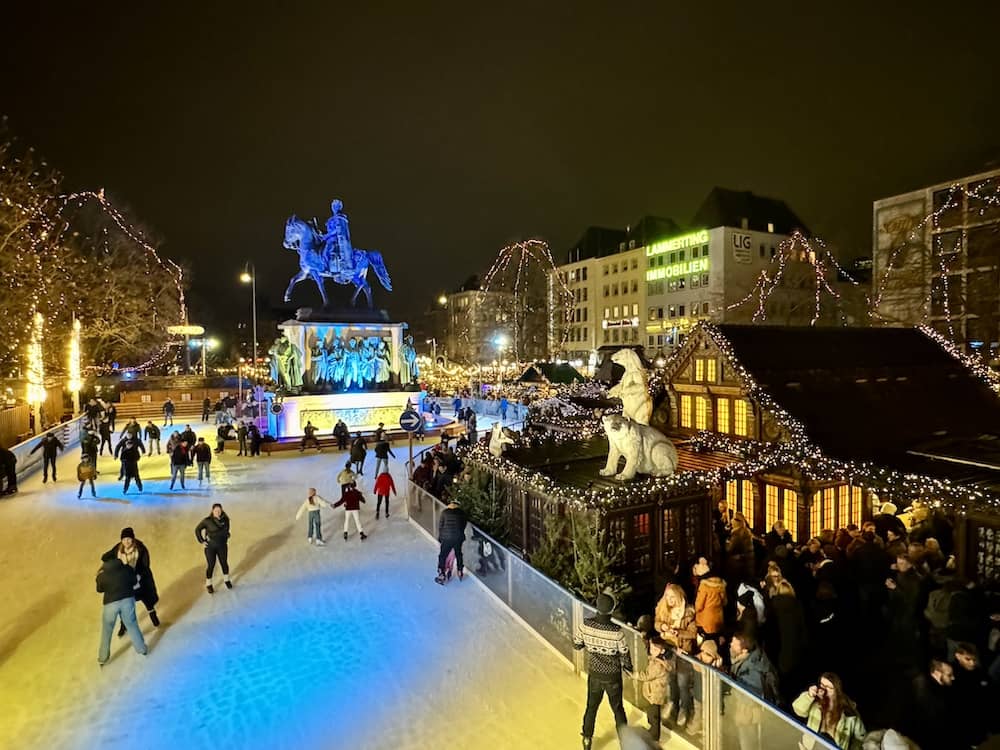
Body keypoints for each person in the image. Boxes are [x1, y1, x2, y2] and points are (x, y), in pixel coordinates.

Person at [574, 592, 632, 750]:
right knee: (618, 710)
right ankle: (625, 742)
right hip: (612, 677)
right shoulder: (616, 631)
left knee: (591, 707)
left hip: (595, 676)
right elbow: (625, 654)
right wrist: (628, 668)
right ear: (612, 610)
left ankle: (587, 739)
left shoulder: (585, 625)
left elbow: (577, 645)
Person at [654, 583, 698, 727]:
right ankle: (673, 703)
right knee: (671, 680)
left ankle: (685, 710)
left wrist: (678, 633)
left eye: (672, 597)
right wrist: (663, 626)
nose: (669, 600)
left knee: (683, 684)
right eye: (667, 597)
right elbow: (657, 623)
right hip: (669, 651)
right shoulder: (665, 609)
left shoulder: (689, 612)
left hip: (683, 653)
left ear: (679, 596)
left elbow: (692, 633)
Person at [101, 527, 160, 635]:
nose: (126, 542)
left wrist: (138, 575)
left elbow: (145, 566)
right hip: (125, 583)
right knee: (125, 605)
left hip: (139, 581)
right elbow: (106, 557)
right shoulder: (118, 549)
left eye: (128, 539)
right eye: (123, 539)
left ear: (132, 539)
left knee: (147, 601)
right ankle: (123, 625)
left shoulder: (141, 549)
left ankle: (153, 616)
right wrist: (108, 564)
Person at [95, 552, 148, 666]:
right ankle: (142, 649)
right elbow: (134, 581)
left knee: (107, 631)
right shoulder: (127, 569)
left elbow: (99, 589)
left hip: (110, 605)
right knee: (132, 625)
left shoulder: (102, 576)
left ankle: (103, 658)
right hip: (127, 600)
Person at [792, 672, 866, 750]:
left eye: (828, 688)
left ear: (838, 691)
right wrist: (809, 696)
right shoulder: (815, 702)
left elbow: (861, 738)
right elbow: (798, 710)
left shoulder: (850, 714)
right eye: (822, 685)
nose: (823, 690)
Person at [635, 634, 671, 742]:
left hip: (655, 694)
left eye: (656, 649)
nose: (652, 650)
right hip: (653, 692)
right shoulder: (655, 659)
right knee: (652, 714)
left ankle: (654, 735)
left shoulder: (658, 665)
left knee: (654, 715)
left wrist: (634, 675)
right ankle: (652, 730)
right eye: (651, 648)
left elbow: (646, 675)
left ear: (662, 651)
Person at [195, 503, 232, 593]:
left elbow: (226, 531)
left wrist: (226, 535)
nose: (218, 512)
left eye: (219, 510)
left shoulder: (225, 519)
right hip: (210, 547)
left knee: (224, 563)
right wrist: (202, 540)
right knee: (211, 565)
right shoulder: (207, 521)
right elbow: (197, 529)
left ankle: (226, 580)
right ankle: (209, 584)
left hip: (222, 546)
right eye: (216, 511)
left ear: (222, 510)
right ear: (212, 511)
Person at [435, 498, 467, 583]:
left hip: (446, 538)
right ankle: (460, 570)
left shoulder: (444, 512)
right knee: (458, 554)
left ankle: (442, 572)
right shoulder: (462, 513)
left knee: (443, 555)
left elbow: (441, 526)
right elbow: (463, 525)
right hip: (458, 538)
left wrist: (440, 537)